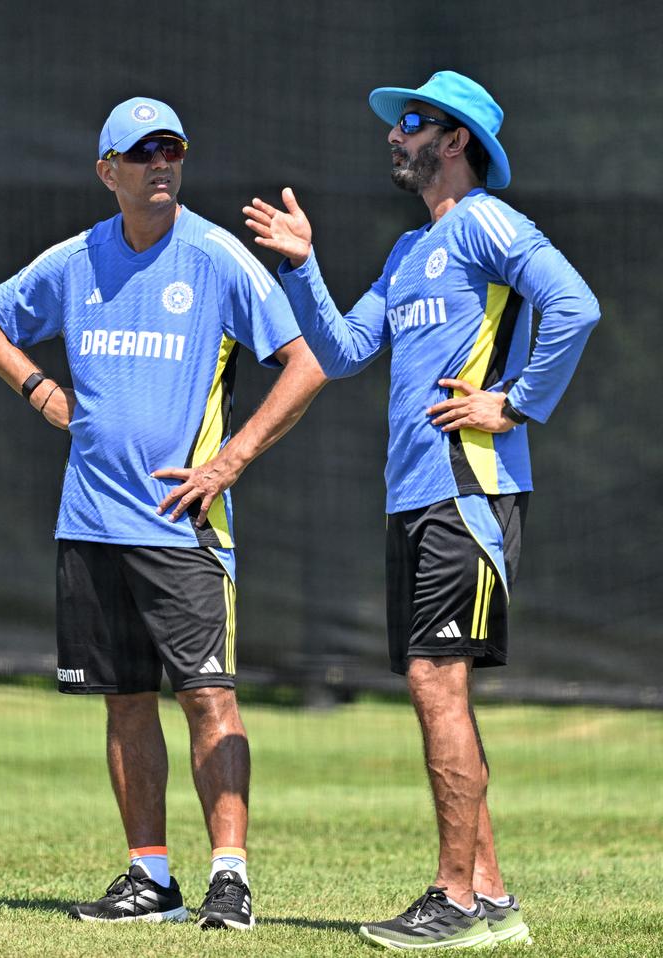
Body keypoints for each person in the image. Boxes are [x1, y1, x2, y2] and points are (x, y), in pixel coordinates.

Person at [245, 70, 599, 950]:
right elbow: (343, 349)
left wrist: (514, 404)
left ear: (456, 140)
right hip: (418, 496)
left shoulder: (487, 222)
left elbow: (576, 306)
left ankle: (454, 901)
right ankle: (490, 897)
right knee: (437, 685)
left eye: (410, 121)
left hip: (468, 489)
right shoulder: (411, 252)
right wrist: (301, 266)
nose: (393, 135)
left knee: (436, 681)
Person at [0, 96, 325, 930]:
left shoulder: (215, 256)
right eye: (143, 153)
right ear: (108, 171)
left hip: (181, 529)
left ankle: (229, 878)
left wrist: (228, 462)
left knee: (209, 698)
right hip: (90, 523)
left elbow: (304, 367)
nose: (162, 164)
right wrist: (39, 388)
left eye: (173, 150)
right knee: (125, 701)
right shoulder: (76, 259)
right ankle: (149, 877)